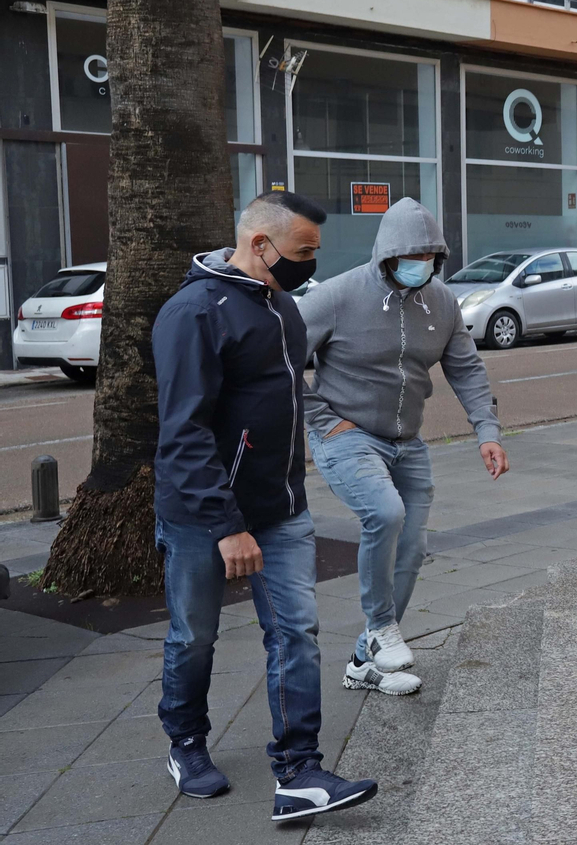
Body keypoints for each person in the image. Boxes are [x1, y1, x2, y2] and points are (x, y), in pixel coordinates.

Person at [153, 191, 379, 822]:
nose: (310, 264)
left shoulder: (282, 306)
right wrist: (227, 526)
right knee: (194, 637)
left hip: (281, 510)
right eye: (302, 251)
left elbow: (285, 396)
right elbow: (184, 431)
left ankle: (300, 770)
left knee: (296, 632)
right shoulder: (192, 312)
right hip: (204, 516)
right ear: (259, 244)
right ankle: (187, 744)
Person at [299, 198, 507, 697]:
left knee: (412, 549)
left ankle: (362, 662)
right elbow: (277, 361)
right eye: (412, 257)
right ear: (386, 256)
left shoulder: (441, 301)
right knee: (385, 513)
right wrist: (322, 420)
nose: (423, 267)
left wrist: (488, 431)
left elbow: (466, 368)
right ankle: (381, 628)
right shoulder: (336, 297)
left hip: (407, 442)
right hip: (347, 434)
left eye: (431, 257)